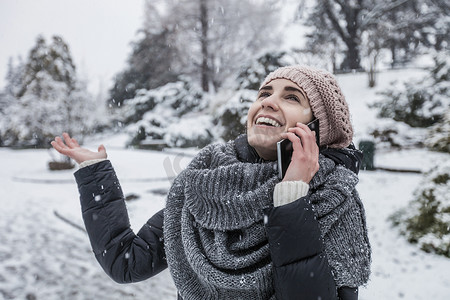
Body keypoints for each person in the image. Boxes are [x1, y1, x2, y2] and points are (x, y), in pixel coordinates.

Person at [51, 65, 371, 300]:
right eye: (264, 93)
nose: (269, 102)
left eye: (291, 97)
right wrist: (95, 172)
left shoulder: (334, 198)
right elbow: (126, 262)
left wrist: (292, 197)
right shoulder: (206, 182)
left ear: (317, 129)